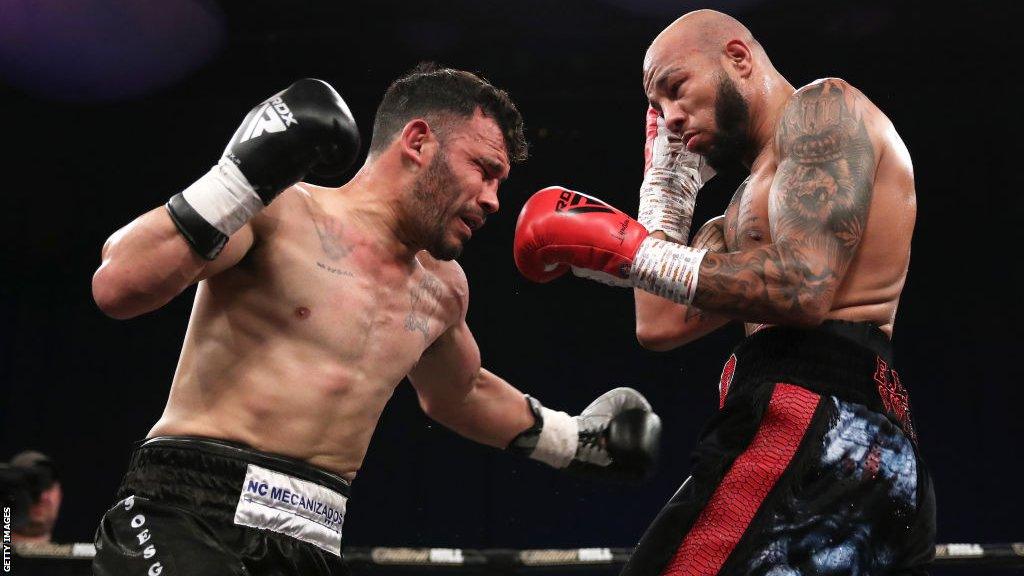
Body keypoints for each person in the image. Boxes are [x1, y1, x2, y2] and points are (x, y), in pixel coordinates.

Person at [89, 63, 661, 576]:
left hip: (314, 538)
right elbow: (118, 284)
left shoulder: (443, 288)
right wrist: (236, 180)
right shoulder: (282, 212)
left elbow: (460, 393)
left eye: (499, 183)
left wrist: (576, 441)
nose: (492, 200)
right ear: (418, 142)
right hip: (188, 510)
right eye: (483, 170)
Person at [513, 10, 935, 576]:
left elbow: (803, 287)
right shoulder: (737, 212)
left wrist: (635, 252)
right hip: (865, 452)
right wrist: (665, 192)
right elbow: (658, 323)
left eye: (676, 89)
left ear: (738, 58)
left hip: (812, 420)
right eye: (657, 110)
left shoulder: (823, 109)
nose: (670, 119)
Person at [6, 451, 62, 544]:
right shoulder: (4, 556)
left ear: (59, 496)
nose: (42, 497)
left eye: (48, 485)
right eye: (32, 485)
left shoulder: (85, 557)